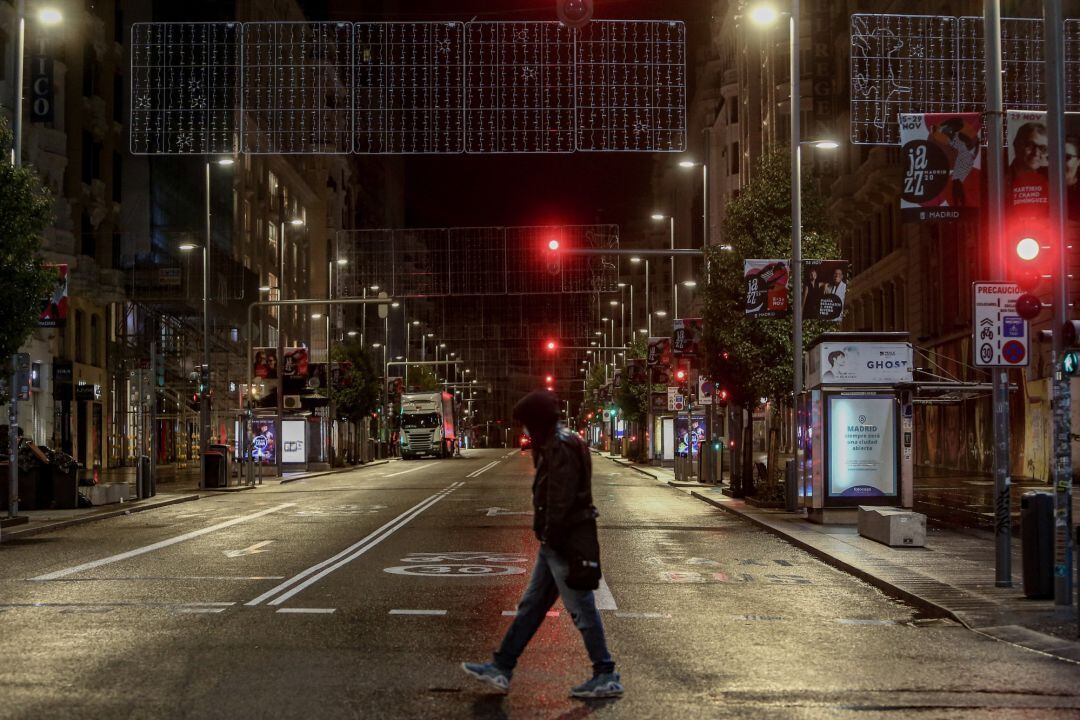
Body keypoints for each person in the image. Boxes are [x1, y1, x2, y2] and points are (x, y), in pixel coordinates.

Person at [462, 390, 622, 699]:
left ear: (536, 421)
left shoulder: (560, 446)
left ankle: (605, 674)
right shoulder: (558, 442)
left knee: (582, 609)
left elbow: (560, 499)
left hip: (563, 540)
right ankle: (502, 666)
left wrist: (551, 534)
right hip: (557, 541)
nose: (524, 430)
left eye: (525, 423)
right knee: (532, 608)